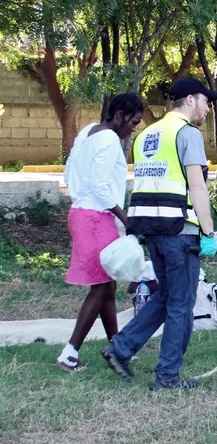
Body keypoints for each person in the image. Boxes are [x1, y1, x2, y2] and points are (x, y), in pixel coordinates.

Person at [101, 77, 217, 391]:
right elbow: (196, 186)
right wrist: (209, 231)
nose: (208, 109)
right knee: (181, 303)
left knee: (166, 296)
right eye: (206, 101)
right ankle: (167, 376)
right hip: (180, 230)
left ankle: (120, 348)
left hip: (152, 230)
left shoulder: (147, 135)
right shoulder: (187, 134)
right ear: (191, 99)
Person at [57, 93, 144, 373]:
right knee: (102, 286)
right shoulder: (109, 140)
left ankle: (117, 346)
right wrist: (125, 217)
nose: (134, 127)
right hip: (97, 217)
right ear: (119, 114)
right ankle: (70, 353)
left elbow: (70, 172)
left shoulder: (87, 133)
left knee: (107, 284)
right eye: (133, 121)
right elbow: (101, 185)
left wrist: (80, 200)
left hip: (82, 213)